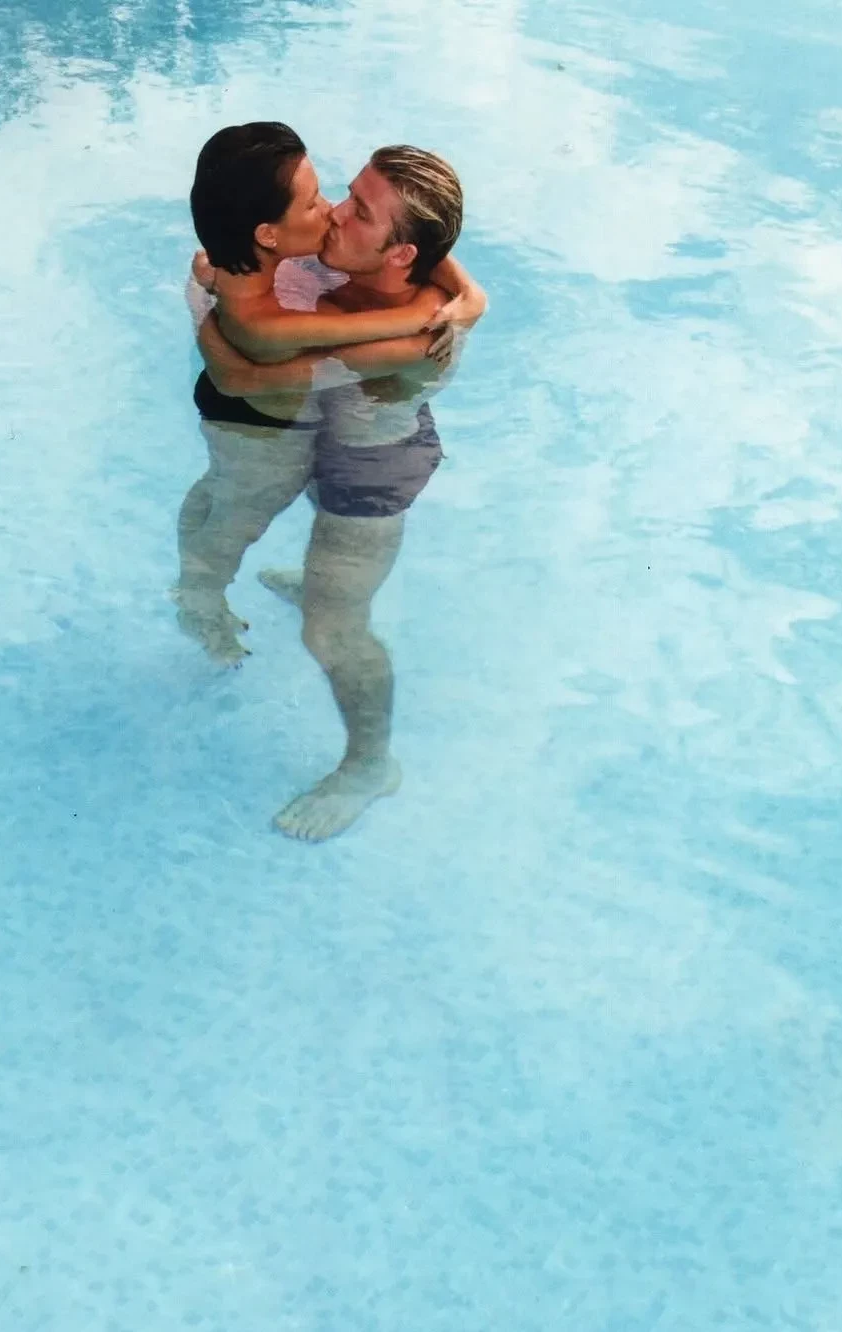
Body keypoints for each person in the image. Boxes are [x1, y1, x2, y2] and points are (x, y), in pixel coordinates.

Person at [193, 144, 481, 841]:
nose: (337, 214)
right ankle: (320, 583)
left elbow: (245, 379)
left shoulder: (418, 335)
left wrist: (206, 310)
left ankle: (369, 765)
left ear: (400, 255)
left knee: (332, 629)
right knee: (310, 554)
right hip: (325, 436)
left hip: (372, 471)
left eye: (359, 212)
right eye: (346, 194)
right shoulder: (353, 261)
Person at [176, 122, 483, 666]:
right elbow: (239, 380)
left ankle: (216, 581)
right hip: (258, 430)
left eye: (342, 200)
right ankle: (200, 600)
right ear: (269, 233)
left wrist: (468, 292)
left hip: (278, 418)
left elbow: (413, 242)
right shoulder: (267, 322)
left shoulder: (240, 257)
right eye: (315, 201)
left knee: (220, 494)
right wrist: (432, 313)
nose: (332, 211)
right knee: (236, 517)